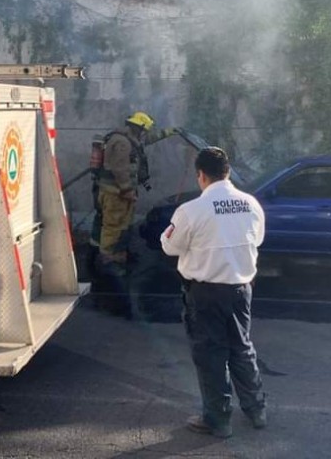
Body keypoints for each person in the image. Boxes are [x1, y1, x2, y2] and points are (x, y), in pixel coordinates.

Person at [161, 146, 267, 439]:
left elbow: (169, 246)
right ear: (228, 172)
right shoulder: (251, 204)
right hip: (241, 290)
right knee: (242, 348)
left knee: (211, 354)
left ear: (200, 176)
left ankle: (218, 420)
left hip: (205, 294)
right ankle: (256, 409)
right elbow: (256, 239)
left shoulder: (191, 210)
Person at [90, 111, 179, 316]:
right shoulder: (122, 144)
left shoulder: (130, 138)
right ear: (137, 127)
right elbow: (118, 169)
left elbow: (147, 140)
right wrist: (128, 190)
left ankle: (115, 257)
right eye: (143, 130)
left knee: (119, 226)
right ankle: (109, 267)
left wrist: (169, 132)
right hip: (116, 195)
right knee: (113, 228)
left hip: (117, 194)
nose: (144, 134)